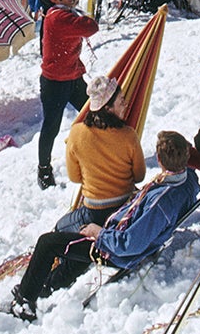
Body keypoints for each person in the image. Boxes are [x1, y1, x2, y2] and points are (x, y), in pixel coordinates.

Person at [0, 131, 198, 321]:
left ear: (160, 160)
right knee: (76, 247)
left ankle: (24, 303)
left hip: (116, 251)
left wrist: (97, 232)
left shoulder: (160, 203)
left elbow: (129, 244)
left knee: (48, 242)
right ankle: (46, 285)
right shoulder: (187, 180)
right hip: (121, 233)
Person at [37, 0, 98, 188]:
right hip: (55, 82)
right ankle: (44, 170)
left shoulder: (62, 13)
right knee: (51, 127)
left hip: (72, 77)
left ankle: (96, 155)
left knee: (93, 114)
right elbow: (91, 27)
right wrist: (82, 14)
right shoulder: (59, 17)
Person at [62, 75, 145, 225]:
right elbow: (139, 176)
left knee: (60, 227)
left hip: (93, 211)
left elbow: (75, 177)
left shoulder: (76, 133)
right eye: (121, 102)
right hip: (124, 208)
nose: (126, 105)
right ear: (107, 109)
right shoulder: (128, 135)